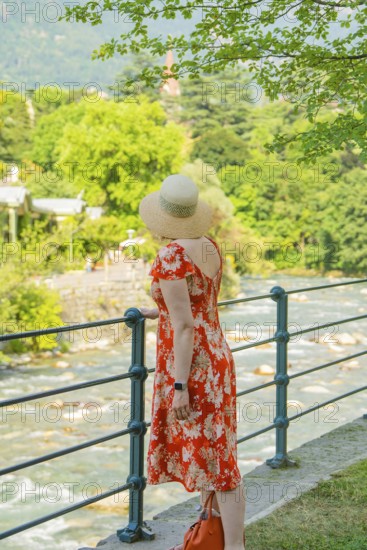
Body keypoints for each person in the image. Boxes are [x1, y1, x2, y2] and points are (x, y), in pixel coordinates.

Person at [138, 174, 246, 550]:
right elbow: (197, 304)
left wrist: (179, 386)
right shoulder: (208, 246)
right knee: (220, 454)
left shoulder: (170, 256)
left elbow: (185, 327)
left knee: (219, 465)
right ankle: (224, 542)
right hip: (217, 357)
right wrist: (160, 311)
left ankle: (233, 547)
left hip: (191, 365)